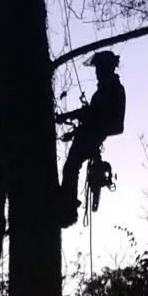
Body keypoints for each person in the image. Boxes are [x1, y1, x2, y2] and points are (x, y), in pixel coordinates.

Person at [56, 50, 126, 228]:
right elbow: (91, 114)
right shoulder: (105, 89)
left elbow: (114, 124)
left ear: (105, 68)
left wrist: (86, 121)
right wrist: (73, 125)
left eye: (98, 68)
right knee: (71, 167)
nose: (96, 72)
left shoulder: (113, 89)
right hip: (89, 135)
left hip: (93, 136)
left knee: (71, 167)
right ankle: (66, 204)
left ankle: (67, 207)